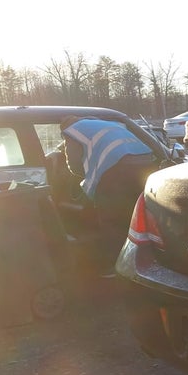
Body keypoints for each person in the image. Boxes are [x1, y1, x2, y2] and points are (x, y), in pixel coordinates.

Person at [62, 117, 158, 277]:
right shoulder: (106, 124)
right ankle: (144, 262)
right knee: (134, 217)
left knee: (111, 220)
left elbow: (73, 164)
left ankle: (116, 267)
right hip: (146, 164)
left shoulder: (72, 132)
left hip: (117, 169)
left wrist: (82, 176)